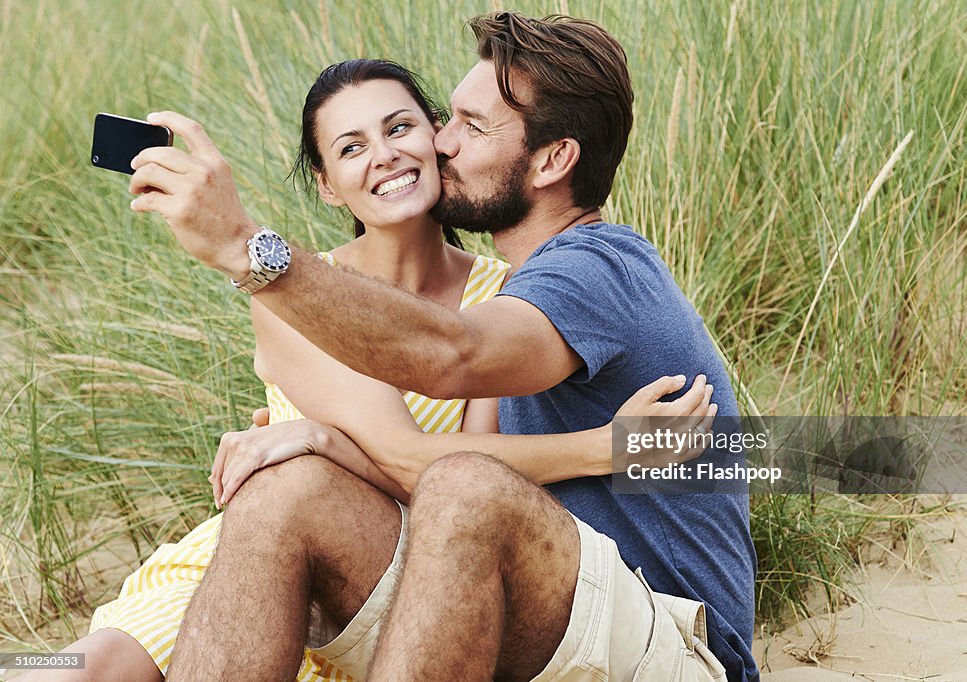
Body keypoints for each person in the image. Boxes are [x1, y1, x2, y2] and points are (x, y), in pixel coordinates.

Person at [16, 59, 715, 682]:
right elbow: (430, 454)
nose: (399, 154)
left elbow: (451, 455)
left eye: (410, 127)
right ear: (327, 186)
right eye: (351, 147)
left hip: (400, 562)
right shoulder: (302, 292)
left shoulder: (511, 300)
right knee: (65, 667)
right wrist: (609, 448)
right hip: (276, 546)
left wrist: (320, 439)